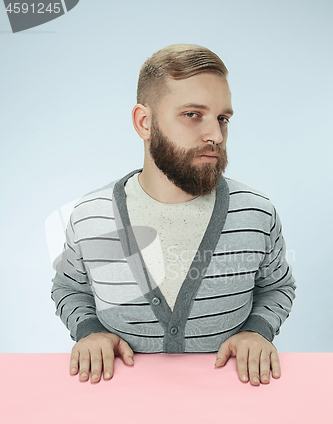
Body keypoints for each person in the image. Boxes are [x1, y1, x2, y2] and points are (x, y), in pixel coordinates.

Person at [51, 43, 296, 386]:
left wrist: (258, 331)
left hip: (234, 414)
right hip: (115, 414)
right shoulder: (92, 215)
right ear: (144, 121)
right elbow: (69, 288)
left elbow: (277, 286)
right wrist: (89, 331)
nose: (215, 135)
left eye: (222, 118)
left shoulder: (256, 212)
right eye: (193, 114)